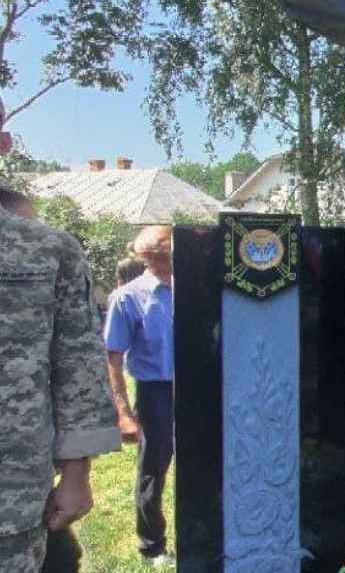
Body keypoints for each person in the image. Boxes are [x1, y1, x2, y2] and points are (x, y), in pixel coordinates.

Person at [0, 95, 120, 571]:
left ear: (4, 144)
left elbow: (76, 362)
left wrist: (77, 471)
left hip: (10, 501)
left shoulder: (46, 251)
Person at [104, 225, 177, 567]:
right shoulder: (128, 298)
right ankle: (152, 545)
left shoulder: (193, 289)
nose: (174, 259)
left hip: (197, 387)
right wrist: (123, 413)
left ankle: (205, 529)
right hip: (156, 392)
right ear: (147, 257)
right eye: (167, 253)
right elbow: (113, 359)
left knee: (208, 458)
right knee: (155, 467)